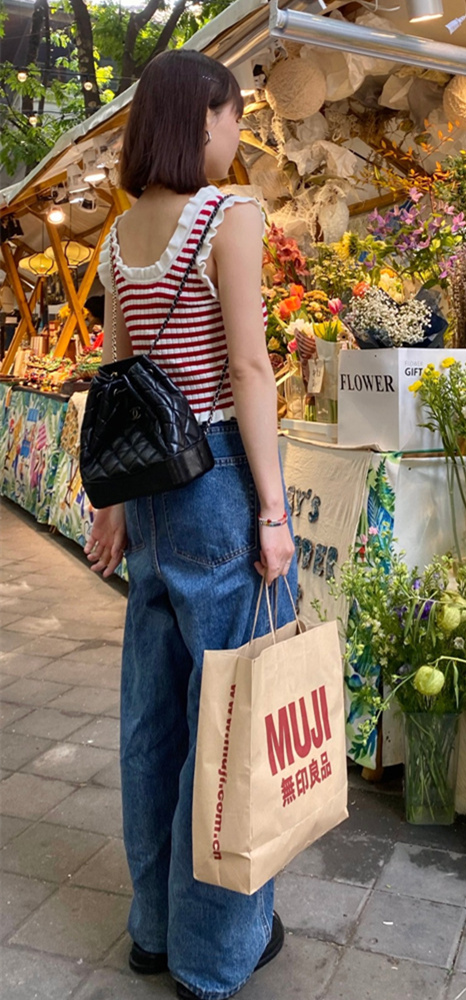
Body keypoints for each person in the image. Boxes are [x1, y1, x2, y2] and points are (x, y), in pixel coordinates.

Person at [84, 49, 297, 1000]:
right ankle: (214, 956)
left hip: (155, 491)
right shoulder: (230, 215)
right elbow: (250, 373)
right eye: (231, 114)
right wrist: (275, 508)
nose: (237, 132)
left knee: (154, 716)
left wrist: (117, 509)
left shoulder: (118, 237)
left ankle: (151, 927)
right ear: (199, 119)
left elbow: (119, 384)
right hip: (217, 487)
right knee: (234, 720)